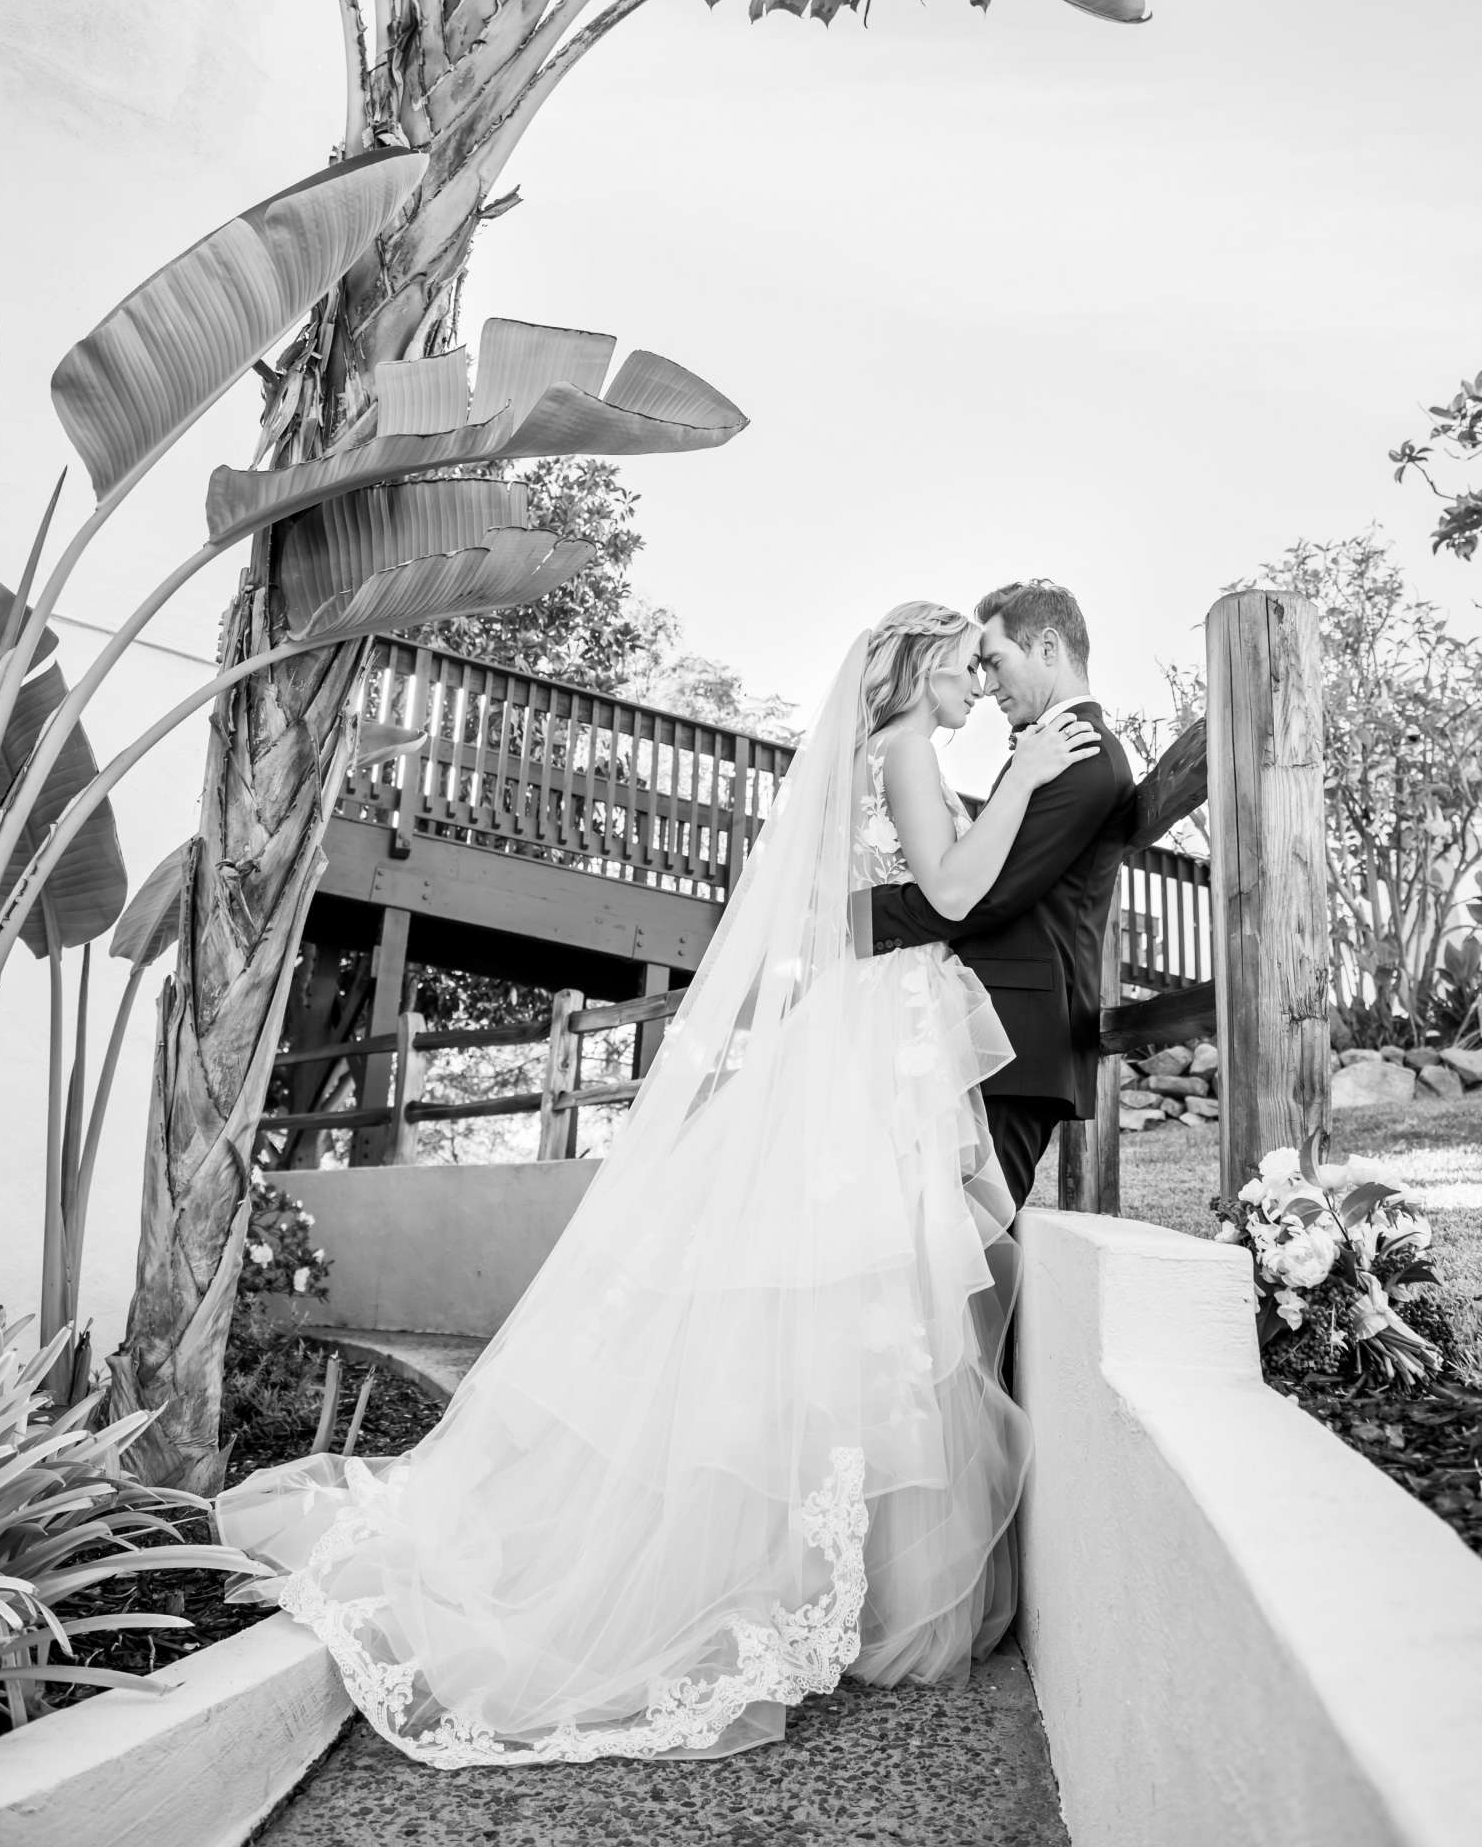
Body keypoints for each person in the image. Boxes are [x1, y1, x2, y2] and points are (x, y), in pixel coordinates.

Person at [216, 605, 1097, 1770]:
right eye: (965, 669)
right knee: (861, 1300)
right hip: (882, 1037)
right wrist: (1031, 778)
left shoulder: (898, 755)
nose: (980, 690)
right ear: (921, 670)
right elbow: (946, 892)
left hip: (874, 1031)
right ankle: (816, 1577)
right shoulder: (910, 751)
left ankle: (833, 1568)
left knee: (844, 1301)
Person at [867, 580, 1137, 1217]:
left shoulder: (1084, 756)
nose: (985, 686)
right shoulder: (1048, 752)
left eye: (993, 661)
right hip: (982, 1034)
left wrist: (859, 918)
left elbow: (990, 894)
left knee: (972, 1250)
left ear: (1047, 647)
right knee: (935, 1249)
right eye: (976, 666)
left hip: (1019, 1041)